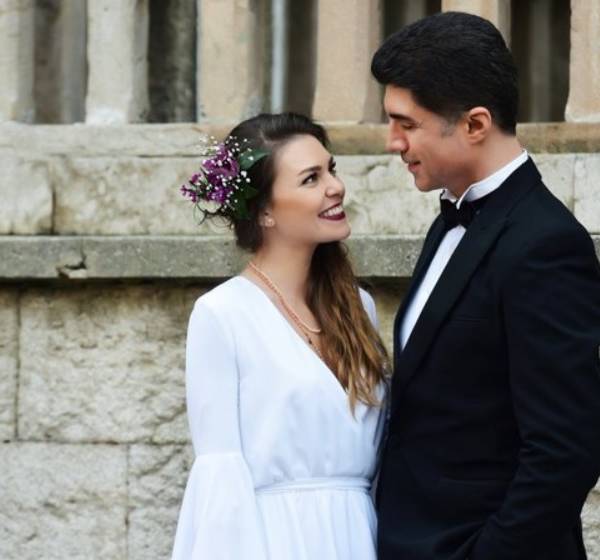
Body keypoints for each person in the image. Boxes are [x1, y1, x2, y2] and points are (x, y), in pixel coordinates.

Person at [370, 11, 600, 560]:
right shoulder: (449, 220)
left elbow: (565, 451)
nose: (392, 142)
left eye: (407, 124)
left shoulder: (545, 244)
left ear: (475, 124)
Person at [171, 112, 389, 560]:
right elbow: (221, 480)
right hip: (279, 541)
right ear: (265, 211)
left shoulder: (357, 307)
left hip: (361, 535)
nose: (335, 187)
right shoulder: (222, 315)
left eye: (331, 169)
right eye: (311, 178)